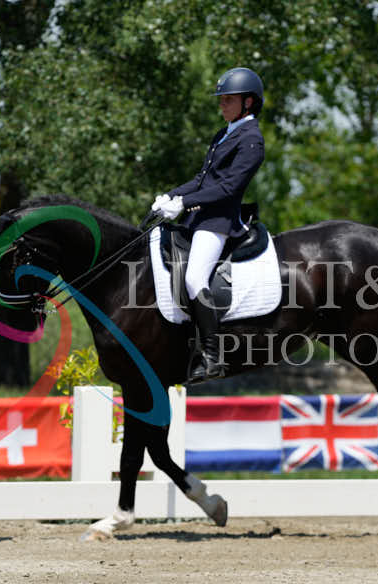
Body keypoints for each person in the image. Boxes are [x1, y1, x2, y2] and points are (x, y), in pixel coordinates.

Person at [152, 67, 265, 383]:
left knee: (193, 278)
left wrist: (184, 203)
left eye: (228, 99)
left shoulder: (252, 139)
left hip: (219, 221)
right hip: (199, 217)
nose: (221, 105)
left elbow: (229, 188)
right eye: (221, 99)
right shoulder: (223, 134)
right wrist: (171, 195)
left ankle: (213, 356)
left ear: (248, 102)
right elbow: (202, 179)